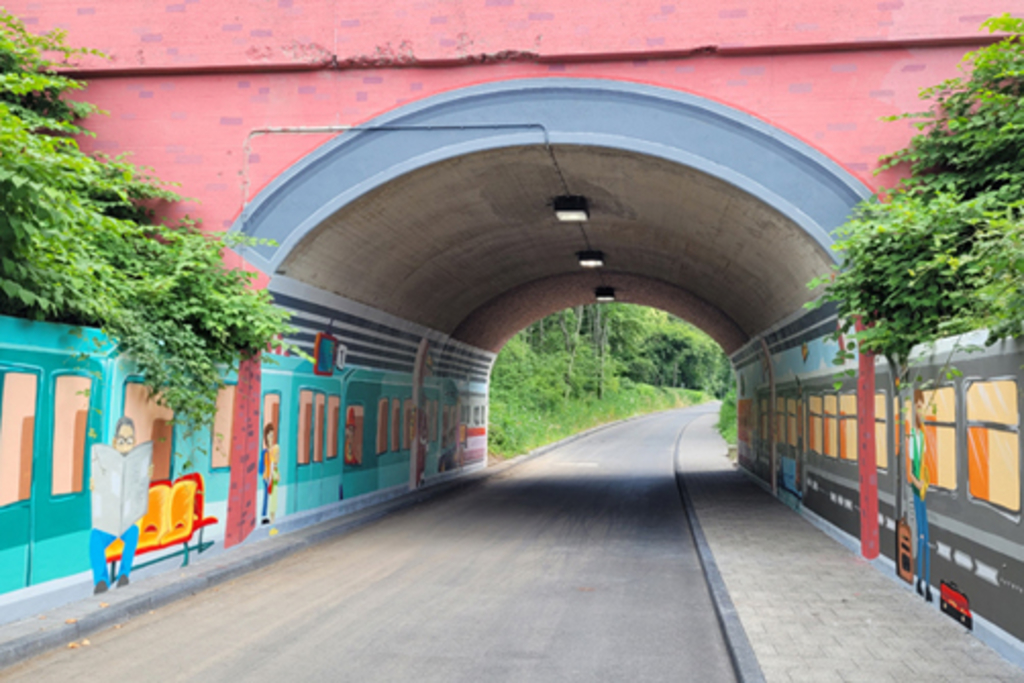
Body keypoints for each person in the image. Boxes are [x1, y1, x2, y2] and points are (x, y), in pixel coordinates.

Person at [89, 417, 143, 594]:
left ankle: (123, 576)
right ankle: (101, 580)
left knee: (133, 531)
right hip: (110, 522)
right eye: (121, 440)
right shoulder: (106, 465)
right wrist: (94, 486)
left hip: (126, 522)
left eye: (129, 441)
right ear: (114, 441)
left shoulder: (136, 468)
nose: (125, 444)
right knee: (95, 537)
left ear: (134, 442)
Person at [908, 390, 933, 602]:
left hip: (923, 487)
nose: (920, 410)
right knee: (922, 535)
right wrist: (918, 483)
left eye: (921, 406)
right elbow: (909, 470)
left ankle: (926, 582)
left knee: (926, 538)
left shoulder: (924, 434)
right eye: (917, 406)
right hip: (918, 490)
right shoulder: (911, 436)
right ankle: (919, 580)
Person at [260, 422, 279, 525]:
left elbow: (274, 464)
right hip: (266, 477)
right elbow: (262, 466)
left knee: (270, 497)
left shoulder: (272, 451)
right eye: (269, 435)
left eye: (272, 435)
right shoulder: (265, 452)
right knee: (266, 496)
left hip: (271, 476)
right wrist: (266, 476)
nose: (271, 438)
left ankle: (268, 515)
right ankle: (264, 516)